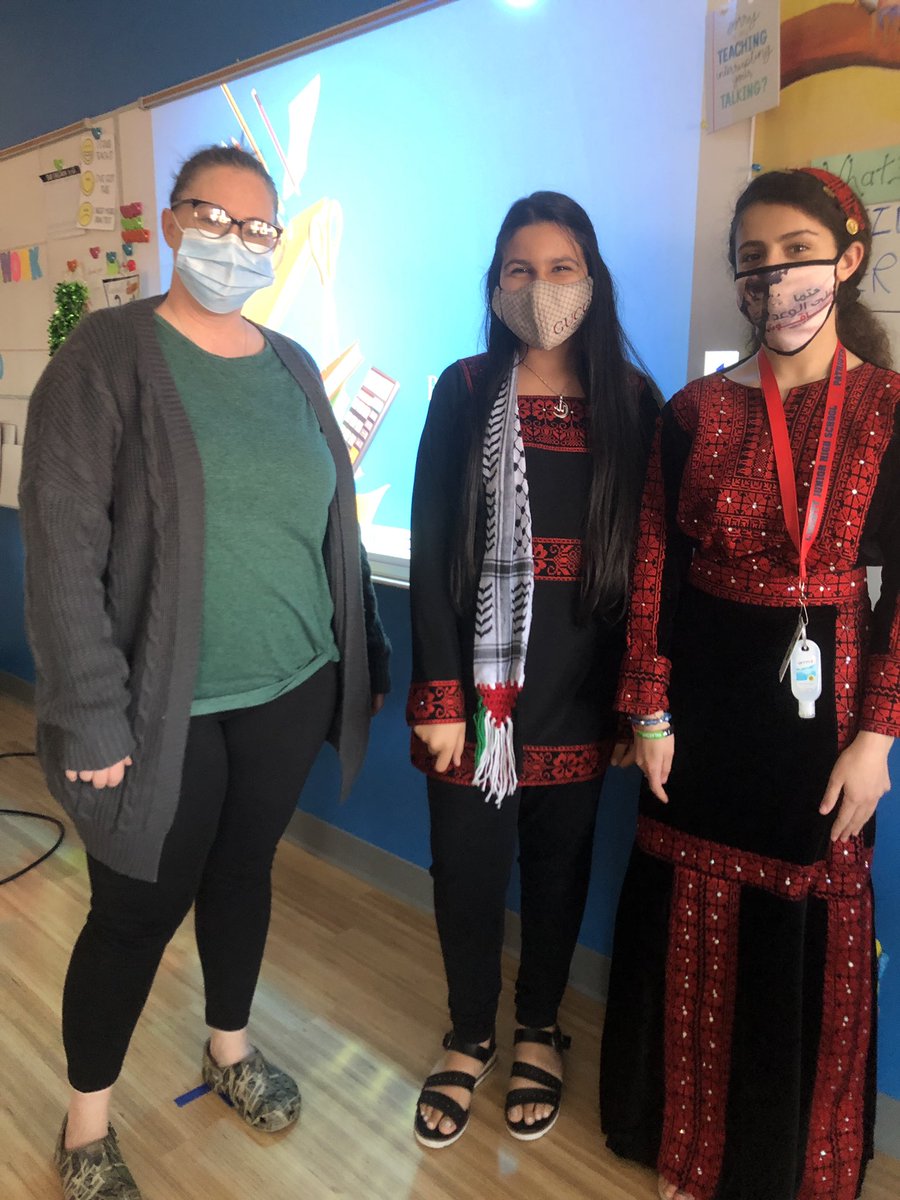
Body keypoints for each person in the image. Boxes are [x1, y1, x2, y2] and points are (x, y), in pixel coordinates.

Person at [19, 145, 391, 1200]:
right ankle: (87, 1121)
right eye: (212, 218)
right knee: (134, 913)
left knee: (243, 877)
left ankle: (228, 1050)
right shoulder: (106, 358)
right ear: (175, 225)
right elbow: (60, 546)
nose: (235, 242)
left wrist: (361, 651)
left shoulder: (288, 365)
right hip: (156, 713)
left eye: (257, 228)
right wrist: (91, 718)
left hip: (289, 687)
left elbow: (334, 529)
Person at [599, 167, 899, 1200]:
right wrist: (647, 706)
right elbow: (655, 567)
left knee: (800, 929)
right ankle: (683, 1142)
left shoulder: (891, 408)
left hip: (825, 719)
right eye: (755, 262)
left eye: (798, 256)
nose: (777, 280)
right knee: (683, 902)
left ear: (849, 259)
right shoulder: (689, 411)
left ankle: (772, 1167)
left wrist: (879, 737)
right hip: (701, 713)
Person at [408, 191, 658, 1148]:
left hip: (582, 694)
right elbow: (434, 549)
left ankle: (541, 1031)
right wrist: (439, 699)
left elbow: (648, 567)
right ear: (496, 283)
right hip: (473, 701)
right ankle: (469, 1032)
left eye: (560, 269)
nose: (541, 287)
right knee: (466, 877)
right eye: (520, 269)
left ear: (590, 281)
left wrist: (641, 706)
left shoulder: (633, 403)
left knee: (558, 876)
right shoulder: (464, 389)